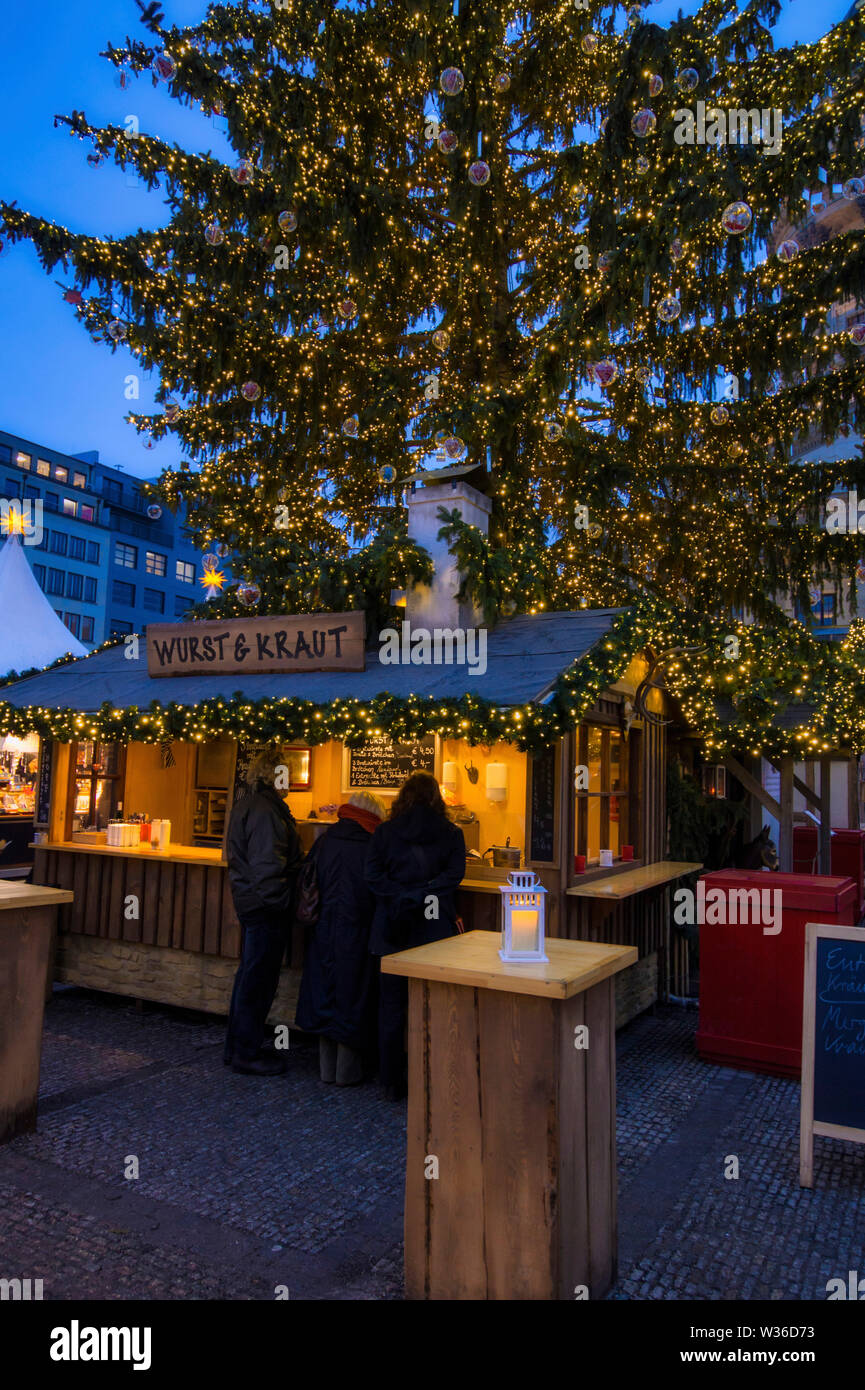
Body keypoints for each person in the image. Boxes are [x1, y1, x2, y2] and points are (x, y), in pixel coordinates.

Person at [365, 771, 466, 1100]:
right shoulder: (451, 834)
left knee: (391, 1009)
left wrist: (401, 896)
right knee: (433, 1007)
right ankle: (433, 1076)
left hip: (392, 929)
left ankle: (391, 1081)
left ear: (402, 796)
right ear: (437, 798)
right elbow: (454, 876)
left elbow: (373, 876)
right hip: (433, 931)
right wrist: (424, 893)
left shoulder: (384, 832)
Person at [295, 791, 386, 1086]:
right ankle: (348, 1072)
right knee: (354, 995)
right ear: (374, 815)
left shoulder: (325, 840)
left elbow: (307, 879)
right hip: (359, 933)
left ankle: (326, 1069)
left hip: (322, 931)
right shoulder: (373, 844)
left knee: (324, 992)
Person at [224, 747, 303, 1075]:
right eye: (289, 774)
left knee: (250, 977)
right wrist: (282, 903)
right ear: (276, 775)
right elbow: (268, 866)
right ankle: (246, 1053)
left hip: (254, 904)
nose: (293, 780)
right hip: (265, 908)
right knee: (257, 981)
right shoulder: (267, 811)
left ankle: (238, 1048)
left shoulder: (252, 804)